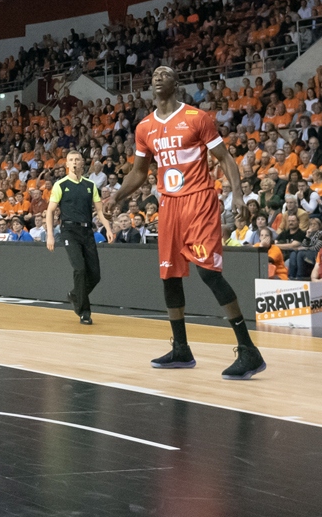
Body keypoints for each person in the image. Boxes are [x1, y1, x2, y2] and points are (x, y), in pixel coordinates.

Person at [108, 65, 266, 379]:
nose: (156, 76)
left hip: (199, 200)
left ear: (176, 82)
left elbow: (224, 157)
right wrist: (117, 196)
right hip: (168, 206)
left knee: (208, 273)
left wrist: (236, 195)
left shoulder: (197, 118)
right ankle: (181, 347)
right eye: (153, 74)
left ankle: (248, 350)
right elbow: (139, 173)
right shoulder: (145, 127)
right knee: (169, 277)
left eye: (164, 73)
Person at [45, 151, 109, 325]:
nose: (74, 162)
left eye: (77, 160)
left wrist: (108, 227)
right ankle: (84, 311)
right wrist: (50, 235)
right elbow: (50, 211)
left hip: (87, 231)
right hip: (69, 230)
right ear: (67, 164)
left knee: (95, 275)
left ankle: (75, 295)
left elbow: (100, 211)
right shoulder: (60, 184)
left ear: (82, 163)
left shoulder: (90, 185)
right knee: (79, 269)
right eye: (71, 160)